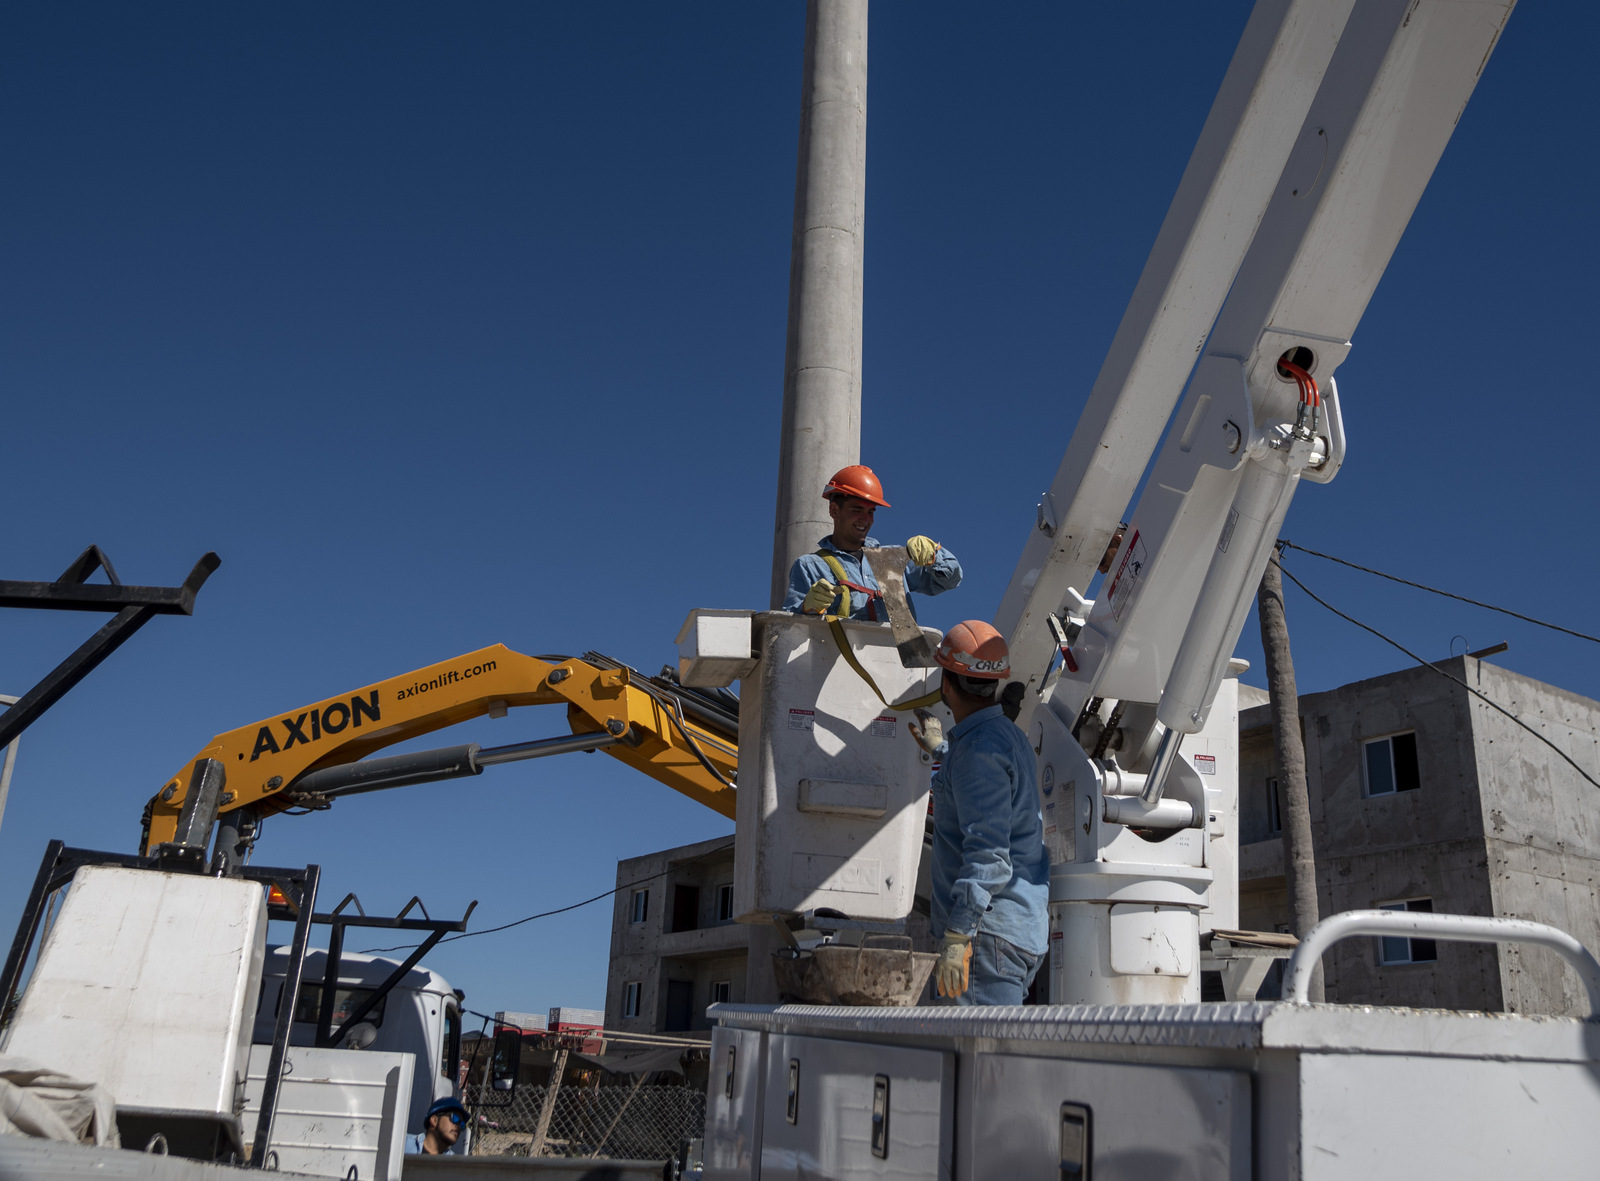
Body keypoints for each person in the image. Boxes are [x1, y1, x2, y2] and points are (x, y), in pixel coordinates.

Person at [908, 621, 1049, 1005]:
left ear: (946, 684)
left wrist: (958, 935)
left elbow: (988, 853)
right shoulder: (1007, 738)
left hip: (984, 937)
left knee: (979, 1062)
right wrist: (944, 753)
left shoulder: (977, 753)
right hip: (1011, 932)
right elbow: (991, 797)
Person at [783, 464, 962, 621]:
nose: (866, 519)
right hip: (838, 657)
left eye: (871, 512)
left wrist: (934, 555)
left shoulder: (892, 559)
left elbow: (950, 581)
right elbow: (791, 628)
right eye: (857, 510)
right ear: (834, 510)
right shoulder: (811, 566)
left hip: (896, 658)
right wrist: (807, 608)